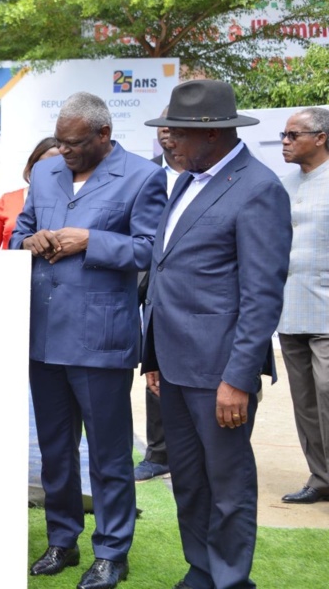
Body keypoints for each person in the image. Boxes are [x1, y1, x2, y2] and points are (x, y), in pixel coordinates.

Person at [10, 92, 166, 589]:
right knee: (55, 449)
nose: (65, 150)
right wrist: (28, 242)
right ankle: (62, 541)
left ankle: (112, 550)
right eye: (59, 141)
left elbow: (150, 250)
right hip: (43, 334)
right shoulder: (47, 172)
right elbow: (20, 234)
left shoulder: (143, 175)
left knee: (108, 452)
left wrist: (90, 241)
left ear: (103, 136)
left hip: (101, 337)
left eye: (75, 143)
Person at [141, 79, 292, 589]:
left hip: (220, 373)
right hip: (176, 366)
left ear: (211, 135)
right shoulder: (187, 181)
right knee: (188, 480)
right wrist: (154, 356)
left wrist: (239, 379)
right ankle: (201, 569)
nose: (168, 142)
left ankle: (230, 580)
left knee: (227, 485)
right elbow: (164, 275)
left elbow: (261, 295)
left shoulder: (258, 189)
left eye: (176, 133)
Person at [275, 107, 329, 505]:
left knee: (328, 393)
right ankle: (321, 477)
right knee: (305, 402)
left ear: (321, 137)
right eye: (283, 135)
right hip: (290, 311)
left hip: (327, 311)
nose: (285, 142)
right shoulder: (283, 185)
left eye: (294, 135)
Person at [134, 107, 184, 483]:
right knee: (154, 364)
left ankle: (192, 451)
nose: (166, 135)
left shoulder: (216, 177)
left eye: (173, 128)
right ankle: (157, 452)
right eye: (162, 129)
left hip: (192, 286)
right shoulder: (148, 173)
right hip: (147, 282)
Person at [0, 137, 60, 250]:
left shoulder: (74, 204)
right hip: (12, 267)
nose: (51, 171)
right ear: (32, 167)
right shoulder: (7, 201)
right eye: (44, 165)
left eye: (58, 166)